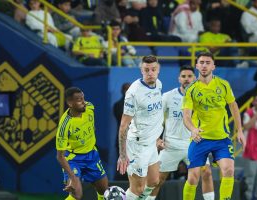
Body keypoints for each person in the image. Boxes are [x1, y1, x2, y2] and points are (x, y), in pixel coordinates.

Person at [182, 51, 246, 200]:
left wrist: (240, 131)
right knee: (193, 178)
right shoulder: (191, 89)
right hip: (200, 139)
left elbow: (233, 106)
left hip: (221, 139)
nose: (204, 65)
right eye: (201, 62)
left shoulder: (223, 85)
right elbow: (186, 116)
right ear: (197, 66)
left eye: (207, 62)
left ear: (213, 66)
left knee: (229, 170)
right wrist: (192, 129)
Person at [146, 65, 215, 200]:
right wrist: (157, 139)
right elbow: (155, 118)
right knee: (157, 180)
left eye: (189, 76)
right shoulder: (167, 97)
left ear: (195, 78)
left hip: (194, 144)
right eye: (183, 76)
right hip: (171, 145)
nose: (186, 79)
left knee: (206, 172)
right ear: (179, 79)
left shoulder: (203, 97)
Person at [117, 55, 163, 200]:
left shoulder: (159, 85)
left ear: (158, 70)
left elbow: (155, 115)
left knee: (154, 181)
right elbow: (123, 126)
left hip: (151, 143)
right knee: (137, 189)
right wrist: (123, 154)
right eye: (146, 70)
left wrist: (157, 137)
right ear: (141, 71)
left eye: (153, 69)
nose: (150, 73)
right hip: (137, 146)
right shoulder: (133, 92)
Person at [56, 87, 109, 200]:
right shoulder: (65, 125)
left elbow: (92, 126)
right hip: (73, 159)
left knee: (104, 191)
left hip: (91, 155)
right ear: (70, 103)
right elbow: (60, 156)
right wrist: (73, 178)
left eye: (83, 98)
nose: (84, 102)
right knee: (76, 194)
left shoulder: (90, 107)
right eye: (79, 100)